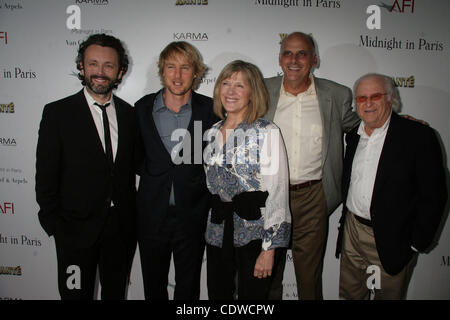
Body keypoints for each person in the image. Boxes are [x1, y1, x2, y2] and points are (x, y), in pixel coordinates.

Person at [35, 34, 141, 299]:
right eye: (93, 64)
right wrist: (57, 227)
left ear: (120, 71)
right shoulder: (57, 114)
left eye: (108, 65)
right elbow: (45, 176)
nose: (100, 72)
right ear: (81, 67)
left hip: (120, 231)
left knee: (115, 295)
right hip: (74, 233)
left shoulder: (130, 115)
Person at [264, 31, 360, 300]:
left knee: (309, 279)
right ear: (280, 59)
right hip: (269, 197)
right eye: (287, 53)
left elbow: (362, 124)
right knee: (269, 275)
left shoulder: (337, 95)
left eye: (302, 53)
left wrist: (401, 123)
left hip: (313, 197)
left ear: (314, 59)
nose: (294, 60)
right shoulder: (260, 89)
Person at [335, 73, 447, 299]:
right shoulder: (354, 136)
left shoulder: (418, 136)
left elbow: (434, 194)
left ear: (391, 98)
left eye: (375, 96)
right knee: (349, 295)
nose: (367, 103)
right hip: (353, 231)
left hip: (391, 237)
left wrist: (416, 243)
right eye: (361, 98)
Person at [135, 41, 218, 300]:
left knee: (188, 288)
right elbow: (135, 158)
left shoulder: (210, 110)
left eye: (185, 67)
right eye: (171, 67)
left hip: (192, 217)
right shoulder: (141, 109)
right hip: (151, 216)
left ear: (196, 72)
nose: (178, 75)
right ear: (162, 71)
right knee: (153, 287)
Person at [204, 60, 291, 300]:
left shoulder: (266, 131)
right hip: (218, 231)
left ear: (253, 92)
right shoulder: (211, 132)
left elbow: (278, 192)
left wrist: (269, 250)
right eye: (226, 83)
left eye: (239, 86)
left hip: (255, 233)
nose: (230, 91)